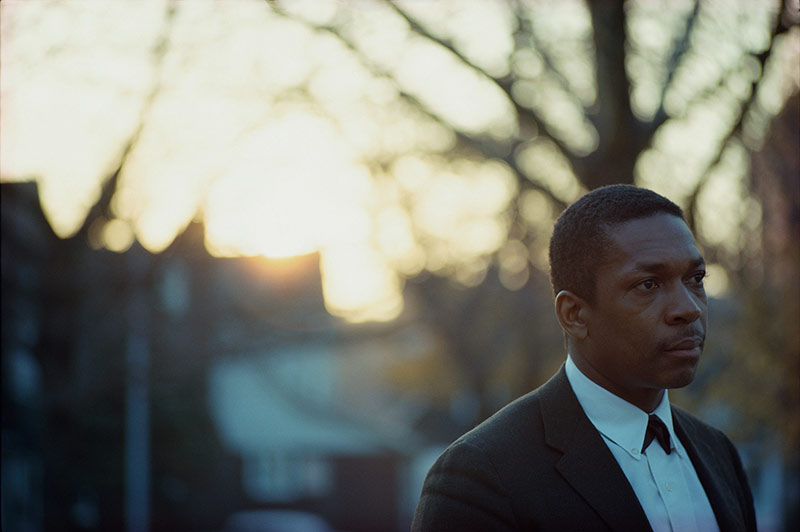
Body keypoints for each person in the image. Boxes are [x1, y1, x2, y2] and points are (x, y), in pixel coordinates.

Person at [411, 185, 756, 532]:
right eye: (648, 284)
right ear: (574, 314)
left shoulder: (718, 453)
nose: (689, 308)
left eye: (695, 279)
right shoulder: (480, 477)